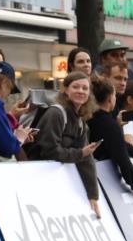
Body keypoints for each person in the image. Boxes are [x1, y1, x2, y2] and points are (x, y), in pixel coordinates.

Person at [27, 71, 101, 217]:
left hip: (54, 180)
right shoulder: (56, 113)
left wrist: (93, 195)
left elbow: (86, 160)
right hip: (37, 179)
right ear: (65, 90)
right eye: (76, 87)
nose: (81, 91)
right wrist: (79, 153)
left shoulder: (81, 122)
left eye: (85, 88)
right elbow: (49, 150)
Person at [88, 76, 133, 202]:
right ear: (109, 98)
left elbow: (114, 143)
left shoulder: (90, 118)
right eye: (114, 95)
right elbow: (122, 158)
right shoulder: (110, 124)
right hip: (101, 180)